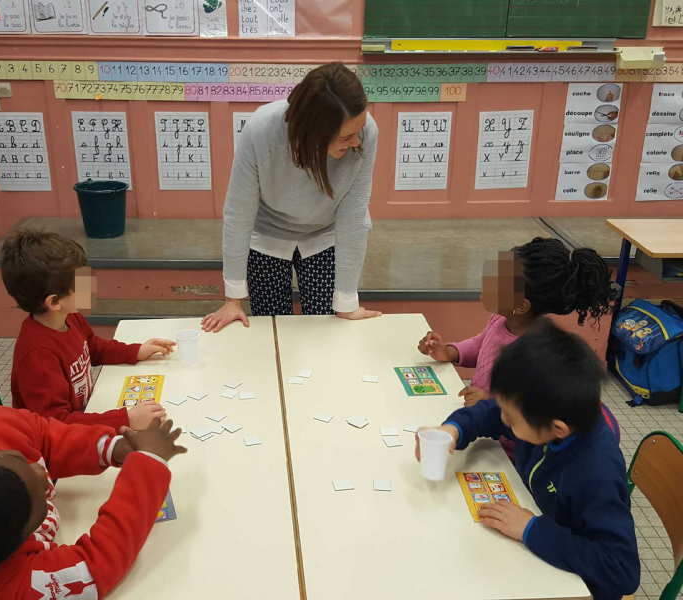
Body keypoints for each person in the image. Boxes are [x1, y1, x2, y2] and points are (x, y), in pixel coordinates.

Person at [415, 321, 639, 600]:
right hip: (535, 536)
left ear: (557, 429)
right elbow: (490, 412)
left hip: (571, 584)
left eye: (510, 418)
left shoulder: (595, 473)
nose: (502, 419)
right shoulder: (545, 413)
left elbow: (621, 571)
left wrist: (531, 528)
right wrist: (453, 430)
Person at [0, 404, 187, 599]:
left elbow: (45, 435)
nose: (43, 476)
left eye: (19, 459)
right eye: (38, 505)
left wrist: (112, 447)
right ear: (10, 557)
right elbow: (97, 567)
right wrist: (149, 462)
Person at [202, 62, 381, 333]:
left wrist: (346, 301)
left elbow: (354, 216)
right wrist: (232, 300)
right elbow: (239, 213)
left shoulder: (366, 133)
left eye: (359, 130)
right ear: (315, 133)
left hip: (325, 234)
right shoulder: (261, 130)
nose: (356, 141)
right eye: (346, 136)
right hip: (267, 234)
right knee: (273, 327)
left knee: (324, 326)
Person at [417, 237, 620, 458]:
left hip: (512, 450)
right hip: (482, 429)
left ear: (521, 306)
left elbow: (537, 412)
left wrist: (492, 403)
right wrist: (449, 351)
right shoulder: (500, 319)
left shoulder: (537, 352)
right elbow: (481, 344)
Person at [3, 230, 173, 429]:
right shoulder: (39, 356)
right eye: (81, 282)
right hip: (55, 445)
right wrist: (125, 420)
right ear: (55, 301)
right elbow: (56, 425)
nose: (90, 285)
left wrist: (135, 351)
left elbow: (93, 347)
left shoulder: (69, 317)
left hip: (84, 417)